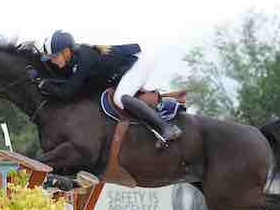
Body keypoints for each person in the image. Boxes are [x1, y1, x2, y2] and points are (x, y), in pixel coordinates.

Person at [38, 30, 182, 143]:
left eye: (54, 57)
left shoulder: (84, 58)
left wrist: (45, 85)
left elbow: (68, 92)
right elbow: (71, 84)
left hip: (139, 61)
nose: (53, 61)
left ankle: (166, 128)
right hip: (125, 68)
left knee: (120, 98)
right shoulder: (75, 60)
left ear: (66, 51)